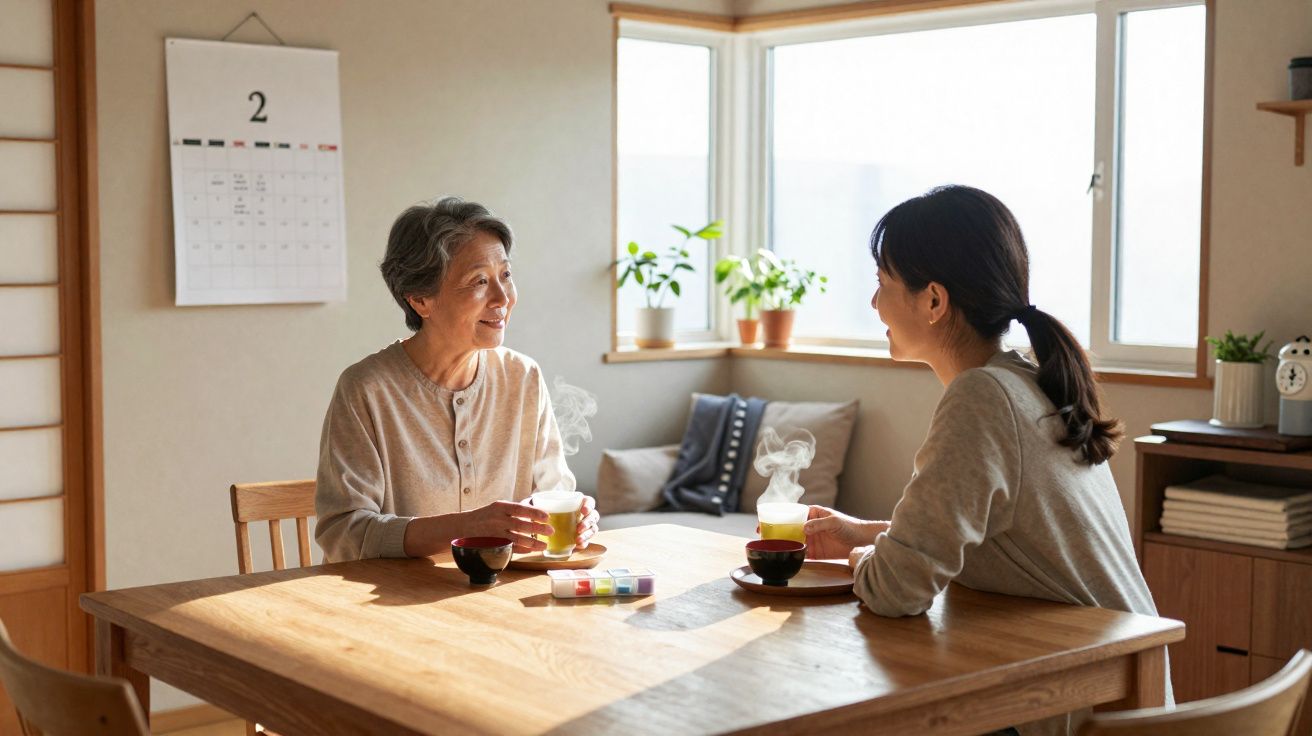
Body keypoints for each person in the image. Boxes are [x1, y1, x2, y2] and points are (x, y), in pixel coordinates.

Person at [803, 185, 1170, 733]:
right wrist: (863, 535)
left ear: (934, 300)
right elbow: (993, 532)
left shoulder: (982, 398)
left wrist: (866, 562)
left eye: (882, 283)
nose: (874, 303)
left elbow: (896, 590)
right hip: (1120, 693)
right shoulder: (1026, 380)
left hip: (1071, 707)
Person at [315, 197, 599, 561]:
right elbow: (344, 532)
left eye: (506, 275)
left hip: (496, 601)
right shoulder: (367, 389)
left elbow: (553, 493)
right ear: (420, 300)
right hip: (390, 606)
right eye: (479, 280)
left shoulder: (522, 377)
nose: (503, 298)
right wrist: (466, 527)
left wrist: (576, 521)